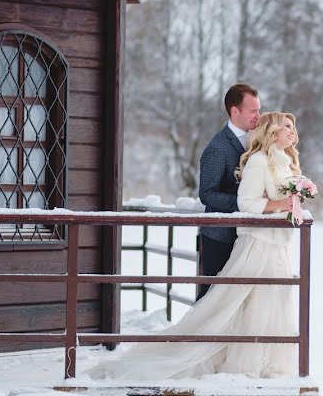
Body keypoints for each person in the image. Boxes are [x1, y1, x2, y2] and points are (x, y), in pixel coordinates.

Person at [87, 112, 303, 380]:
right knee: (241, 303)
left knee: (275, 301)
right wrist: (281, 205)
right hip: (258, 245)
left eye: (293, 126)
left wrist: (296, 201)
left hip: (278, 245)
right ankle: (242, 362)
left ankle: (271, 361)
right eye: (286, 126)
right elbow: (246, 203)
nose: (292, 131)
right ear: (272, 131)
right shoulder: (258, 162)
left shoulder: (287, 163)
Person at [196, 83, 261, 299]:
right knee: (212, 298)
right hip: (219, 235)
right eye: (253, 111)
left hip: (247, 236)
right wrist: (245, 203)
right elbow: (207, 193)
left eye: (258, 110)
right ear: (235, 111)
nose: (258, 116)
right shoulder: (217, 148)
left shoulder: (258, 141)